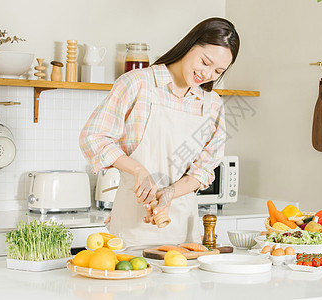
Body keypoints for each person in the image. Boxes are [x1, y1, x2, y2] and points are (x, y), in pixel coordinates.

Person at [79, 17, 240, 248]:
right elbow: (93, 138)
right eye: (205, 62)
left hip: (185, 235)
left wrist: (169, 192)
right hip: (131, 231)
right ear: (190, 44)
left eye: (218, 71)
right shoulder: (138, 84)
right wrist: (138, 171)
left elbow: (204, 169)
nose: (206, 75)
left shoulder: (212, 104)